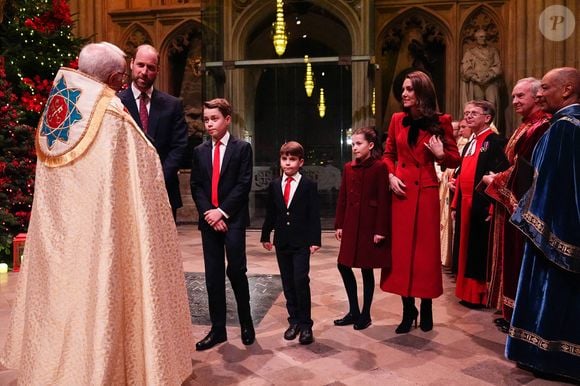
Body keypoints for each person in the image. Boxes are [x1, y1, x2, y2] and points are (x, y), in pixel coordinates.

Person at [0, 42, 192, 384]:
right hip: (100, 234)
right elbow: (142, 168)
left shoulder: (59, 107)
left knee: (63, 300)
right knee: (98, 298)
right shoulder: (111, 117)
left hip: (61, 235)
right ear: (119, 75)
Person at [506, 67, 580, 382]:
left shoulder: (563, 127)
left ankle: (544, 355)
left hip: (553, 228)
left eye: (545, 88)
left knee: (551, 295)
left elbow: (547, 184)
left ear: (567, 90)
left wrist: (529, 218)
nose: (539, 94)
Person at [380, 71, 461, 333]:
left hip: (425, 193)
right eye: (403, 89)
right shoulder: (396, 120)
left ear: (422, 93)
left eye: (410, 89)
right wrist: (391, 175)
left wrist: (440, 155)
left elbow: (454, 159)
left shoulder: (442, 121)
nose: (404, 94)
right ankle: (407, 309)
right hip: (401, 193)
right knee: (402, 254)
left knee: (425, 254)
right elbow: (388, 153)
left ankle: (426, 305)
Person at [482, 78, 551, 331]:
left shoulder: (542, 127)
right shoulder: (527, 124)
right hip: (511, 200)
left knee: (518, 258)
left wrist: (494, 180)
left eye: (520, 96)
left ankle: (517, 316)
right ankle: (509, 311)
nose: (514, 102)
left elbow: (526, 169)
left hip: (525, 204)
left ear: (536, 96)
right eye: (512, 96)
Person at [190, 97, 255, 351]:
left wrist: (222, 212)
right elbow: (196, 185)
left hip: (233, 219)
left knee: (237, 271)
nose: (209, 124)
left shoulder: (241, 149)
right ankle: (218, 330)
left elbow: (243, 184)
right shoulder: (200, 151)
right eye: (206, 119)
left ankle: (247, 324)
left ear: (227, 119)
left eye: (214, 118)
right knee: (212, 277)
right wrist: (209, 212)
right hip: (209, 222)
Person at [260, 141, 321, 345]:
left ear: (300, 162)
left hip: (302, 241)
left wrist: (315, 240)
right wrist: (265, 235)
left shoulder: (308, 185)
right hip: (283, 241)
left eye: (292, 159)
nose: (288, 163)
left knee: (300, 280)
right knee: (287, 283)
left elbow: (314, 214)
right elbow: (271, 213)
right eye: (284, 159)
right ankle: (293, 321)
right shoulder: (275, 185)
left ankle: (306, 325)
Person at [119, 44, 188, 220]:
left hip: (164, 190)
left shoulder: (172, 105)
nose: (144, 72)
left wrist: (159, 179)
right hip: (127, 189)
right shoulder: (116, 103)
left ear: (157, 70)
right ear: (132, 64)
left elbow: (179, 146)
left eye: (150, 67)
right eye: (141, 65)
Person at [451, 100, 509, 307]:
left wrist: (493, 206)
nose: (468, 116)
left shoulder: (495, 142)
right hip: (466, 204)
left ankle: (479, 295)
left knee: (478, 251)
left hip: (481, 204)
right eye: (466, 113)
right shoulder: (469, 143)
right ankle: (465, 292)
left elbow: (500, 176)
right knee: (465, 250)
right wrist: (455, 204)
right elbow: (461, 176)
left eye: (473, 113)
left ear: (487, 118)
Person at [334, 127, 390, 330]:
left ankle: (365, 314)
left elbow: (384, 201)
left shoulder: (379, 167)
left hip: (369, 224)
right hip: (350, 223)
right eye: (353, 143)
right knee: (343, 264)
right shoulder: (349, 167)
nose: (355, 147)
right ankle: (353, 310)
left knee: (367, 269)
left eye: (359, 143)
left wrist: (380, 230)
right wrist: (339, 223)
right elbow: (343, 198)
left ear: (371, 145)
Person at [460, 29, 502, 117]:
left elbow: (497, 66)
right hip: (477, 82)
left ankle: (492, 127)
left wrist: (490, 76)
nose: (484, 39)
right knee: (477, 105)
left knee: (492, 104)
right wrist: (475, 78)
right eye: (481, 37)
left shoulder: (493, 51)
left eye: (485, 37)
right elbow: (466, 67)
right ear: (476, 38)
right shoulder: (470, 52)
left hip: (490, 81)